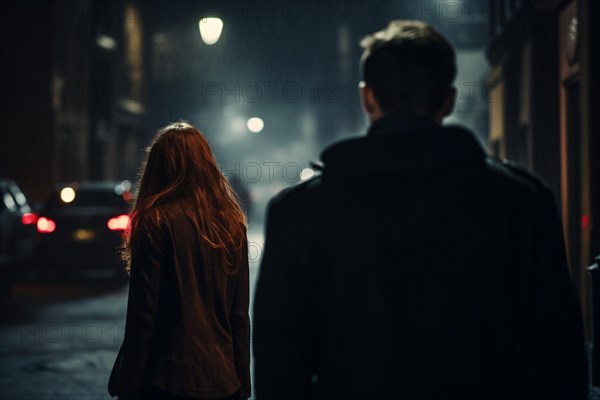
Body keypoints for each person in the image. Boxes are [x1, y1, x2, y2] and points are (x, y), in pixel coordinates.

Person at [252, 20, 588, 400]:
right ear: (449, 99)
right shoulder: (521, 202)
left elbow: (278, 368)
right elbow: (557, 358)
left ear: (367, 98)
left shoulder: (298, 213)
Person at [108, 122, 251, 400]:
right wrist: (243, 385)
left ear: (158, 168)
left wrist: (129, 386)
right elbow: (239, 316)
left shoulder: (154, 222)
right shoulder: (232, 225)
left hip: (166, 380)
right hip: (224, 380)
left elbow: (143, 316)